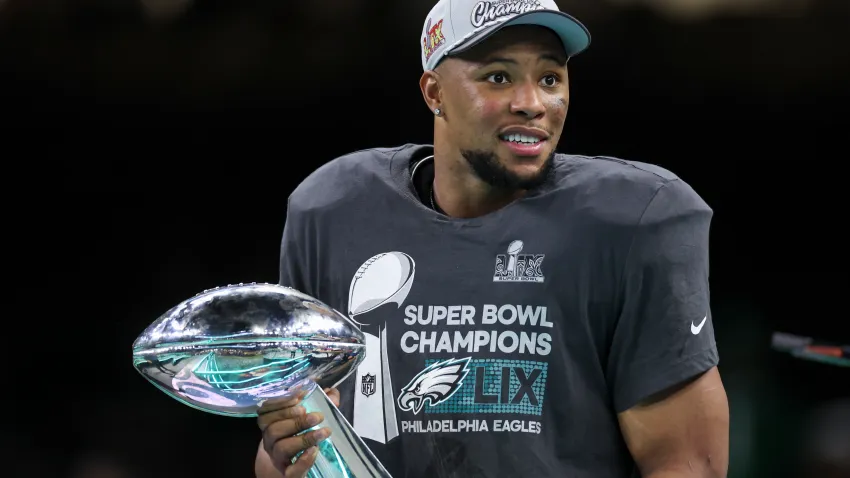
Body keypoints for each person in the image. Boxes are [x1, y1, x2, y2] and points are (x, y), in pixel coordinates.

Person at [255, 0, 730, 476]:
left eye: (550, 78)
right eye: (498, 77)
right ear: (434, 92)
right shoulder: (334, 212)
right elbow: (283, 456)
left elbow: (690, 464)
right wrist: (289, 453)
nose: (533, 102)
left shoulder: (635, 220)